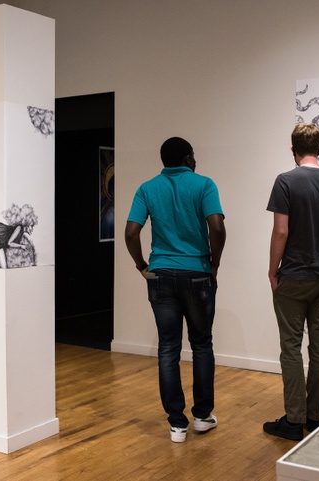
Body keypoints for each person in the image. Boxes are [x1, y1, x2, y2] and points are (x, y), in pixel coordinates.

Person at [125, 137, 226, 443]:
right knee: (201, 344)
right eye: (192, 154)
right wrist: (214, 264)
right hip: (197, 274)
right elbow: (217, 228)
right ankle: (202, 416)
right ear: (186, 157)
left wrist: (142, 265)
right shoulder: (204, 185)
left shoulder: (147, 188)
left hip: (161, 275)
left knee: (168, 348)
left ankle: (177, 424)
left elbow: (131, 232)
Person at [263, 123, 319, 441]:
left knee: (290, 347)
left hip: (295, 277)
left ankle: (293, 419)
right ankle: (314, 417)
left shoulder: (285, 182)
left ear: (292, 149)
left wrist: (273, 270)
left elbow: (281, 231)